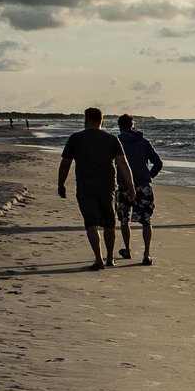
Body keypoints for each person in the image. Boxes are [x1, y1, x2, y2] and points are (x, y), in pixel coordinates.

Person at [56, 107, 135, 271]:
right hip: (108, 186)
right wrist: (130, 185)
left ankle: (98, 258)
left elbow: (66, 163)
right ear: (102, 121)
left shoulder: (76, 138)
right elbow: (122, 163)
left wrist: (61, 184)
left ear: (86, 120)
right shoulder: (111, 138)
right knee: (109, 222)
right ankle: (110, 257)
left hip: (86, 186)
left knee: (91, 222)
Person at [114, 113, 165, 266]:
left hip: (124, 185)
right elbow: (158, 163)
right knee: (146, 221)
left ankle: (128, 250)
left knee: (124, 219)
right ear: (133, 125)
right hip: (144, 185)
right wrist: (149, 176)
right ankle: (146, 254)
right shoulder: (143, 142)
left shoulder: (117, 142)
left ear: (120, 126)